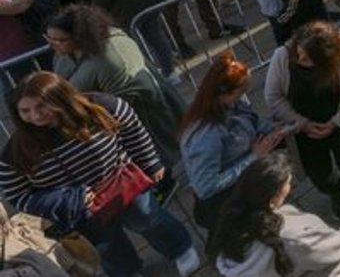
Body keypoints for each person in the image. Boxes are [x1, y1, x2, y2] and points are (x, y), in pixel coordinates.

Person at [1, 73, 200, 277]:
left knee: (149, 219)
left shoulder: (100, 106)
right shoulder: (15, 152)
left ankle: (180, 249)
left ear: (59, 98)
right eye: (25, 111)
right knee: (106, 245)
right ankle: (128, 272)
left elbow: (132, 128)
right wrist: (66, 199)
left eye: (41, 106)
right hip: (78, 209)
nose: (35, 116)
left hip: (122, 183)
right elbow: (18, 196)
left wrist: (150, 162)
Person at [208, 153, 340, 277]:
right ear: (274, 195)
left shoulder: (232, 225)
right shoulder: (291, 239)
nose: (290, 188)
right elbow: (331, 249)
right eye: (288, 184)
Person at [44, 4, 184, 169]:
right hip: (96, 121)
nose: (53, 45)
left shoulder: (110, 57)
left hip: (139, 120)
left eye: (60, 40)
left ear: (80, 37)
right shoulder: (64, 53)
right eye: (49, 39)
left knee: (158, 164)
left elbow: (120, 105)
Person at [263, 20, 340, 219]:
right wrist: (303, 124)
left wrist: (338, 120)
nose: (299, 58)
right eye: (299, 52)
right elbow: (272, 96)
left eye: (307, 58)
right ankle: (336, 193)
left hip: (339, 122)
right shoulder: (282, 56)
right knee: (320, 176)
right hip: (304, 131)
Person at [180, 51, 284, 229]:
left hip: (244, 183)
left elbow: (251, 120)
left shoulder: (228, 104)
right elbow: (207, 187)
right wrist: (254, 156)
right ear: (224, 92)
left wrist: (277, 128)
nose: (245, 94)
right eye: (242, 91)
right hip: (227, 202)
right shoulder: (207, 136)